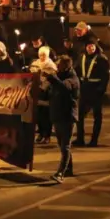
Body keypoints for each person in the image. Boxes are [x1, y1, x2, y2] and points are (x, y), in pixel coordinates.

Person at [45, 55, 80, 183]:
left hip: (67, 117)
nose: (56, 67)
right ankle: (68, 169)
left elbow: (64, 88)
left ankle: (60, 173)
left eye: (59, 65)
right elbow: (49, 93)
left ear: (66, 66)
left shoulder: (73, 79)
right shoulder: (59, 78)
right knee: (62, 145)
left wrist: (51, 78)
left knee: (65, 146)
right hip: (58, 115)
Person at [73, 40, 109, 147]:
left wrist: (102, 89)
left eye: (92, 46)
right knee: (79, 115)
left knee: (97, 116)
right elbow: (76, 70)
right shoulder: (81, 57)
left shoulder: (101, 59)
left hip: (96, 89)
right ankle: (80, 138)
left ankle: (94, 140)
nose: (90, 48)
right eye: (88, 46)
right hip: (84, 88)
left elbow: (105, 76)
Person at [30, 46, 57, 144]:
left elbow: (52, 79)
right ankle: (40, 133)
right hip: (36, 92)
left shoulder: (51, 65)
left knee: (46, 115)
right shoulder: (35, 64)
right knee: (38, 115)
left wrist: (43, 86)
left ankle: (47, 135)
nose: (42, 56)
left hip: (45, 92)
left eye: (44, 55)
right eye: (40, 54)